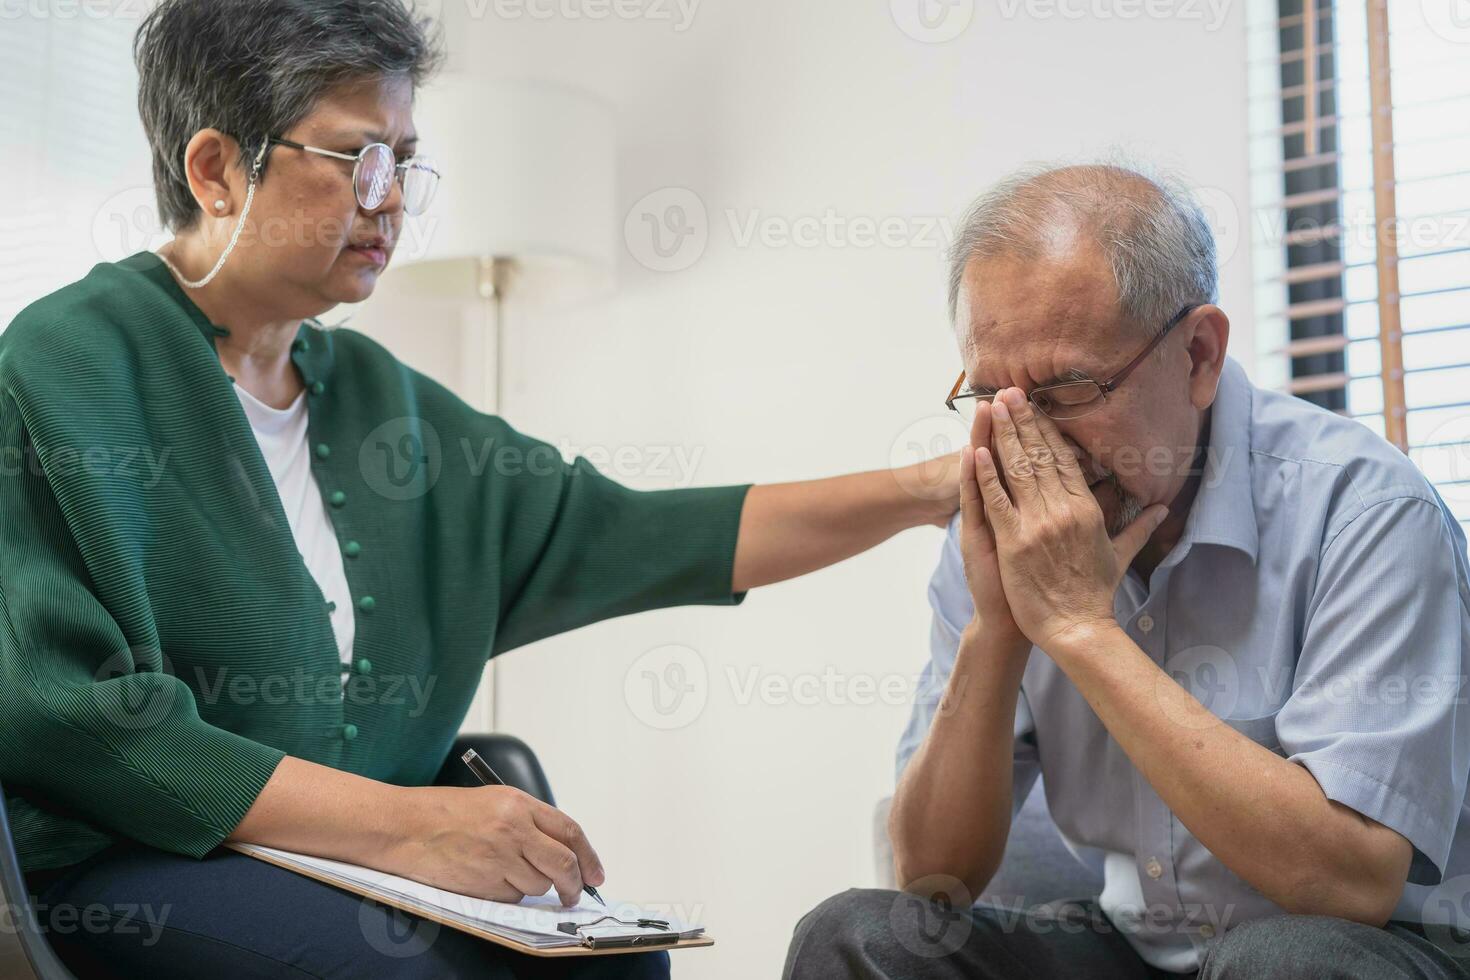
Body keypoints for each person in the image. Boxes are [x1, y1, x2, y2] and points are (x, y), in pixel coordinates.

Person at [0, 2, 959, 976]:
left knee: (619, 962)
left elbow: (646, 532)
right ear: (216, 170)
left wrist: (927, 489)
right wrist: (407, 824)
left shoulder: (384, 405)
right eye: (356, 158)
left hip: (356, 868)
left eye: (405, 161)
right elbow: (68, 716)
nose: (391, 200)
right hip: (133, 866)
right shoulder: (65, 363)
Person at [784, 163, 1470, 979]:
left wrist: (1080, 629)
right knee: (856, 935)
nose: (1028, 444)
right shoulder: (1015, 519)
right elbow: (936, 878)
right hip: (1131, 947)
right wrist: (1000, 625)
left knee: (1285, 961)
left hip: (1365, 947)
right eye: (994, 395)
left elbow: (1350, 882)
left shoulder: (1366, 511)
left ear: (1200, 355)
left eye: (1069, 387)